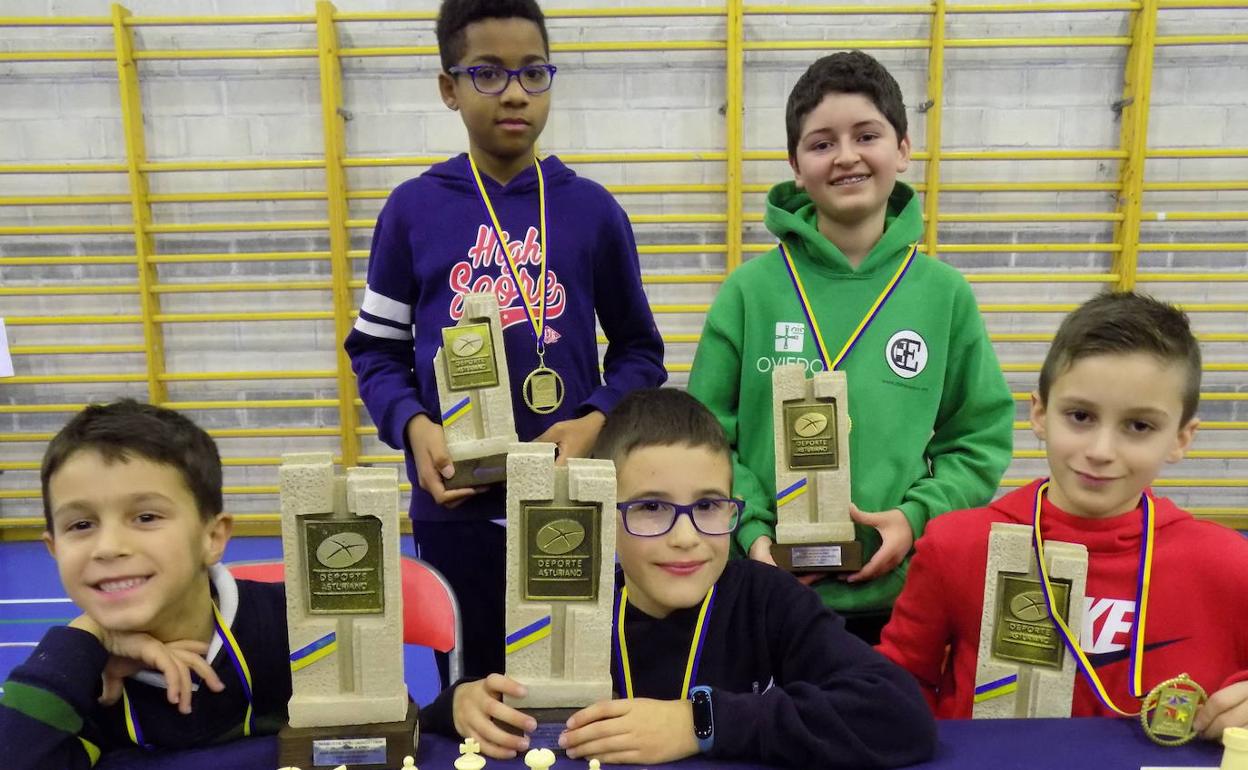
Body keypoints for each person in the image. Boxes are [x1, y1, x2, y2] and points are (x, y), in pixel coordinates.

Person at [344, 0, 666, 686]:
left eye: (533, 73)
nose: (515, 92)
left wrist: (596, 420)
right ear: (448, 87)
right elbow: (373, 351)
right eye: (487, 73)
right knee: (474, 698)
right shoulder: (411, 210)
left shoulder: (593, 210)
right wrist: (413, 425)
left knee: (576, 691)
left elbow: (641, 351)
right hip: (456, 505)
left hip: (568, 499)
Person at [424, 389, 936, 768]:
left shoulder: (767, 599)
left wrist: (701, 723)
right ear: (603, 515)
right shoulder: (564, 601)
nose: (686, 536)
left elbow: (899, 714)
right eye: (651, 507)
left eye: (709, 505)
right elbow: (463, 707)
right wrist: (462, 704)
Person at [687, 50, 1014, 642]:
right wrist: (752, 531)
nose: (845, 156)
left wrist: (917, 518)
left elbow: (979, 439)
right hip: (764, 588)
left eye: (867, 135)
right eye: (821, 143)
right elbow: (707, 438)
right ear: (794, 164)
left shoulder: (943, 295)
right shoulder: (749, 291)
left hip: (898, 597)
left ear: (903, 148)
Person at [878, 292, 1248, 740]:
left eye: (1139, 426)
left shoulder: (1229, 566)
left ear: (1182, 439)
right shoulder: (956, 545)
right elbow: (896, 684)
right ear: (1039, 413)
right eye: (1080, 416)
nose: (1100, 451)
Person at [0, 400, 290, 769]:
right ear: (54, 549)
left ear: (212, 537)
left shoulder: (290, 626)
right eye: (81, 525)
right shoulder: (78, 686)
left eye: (146, 516)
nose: (108, 548)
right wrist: (90, 634)